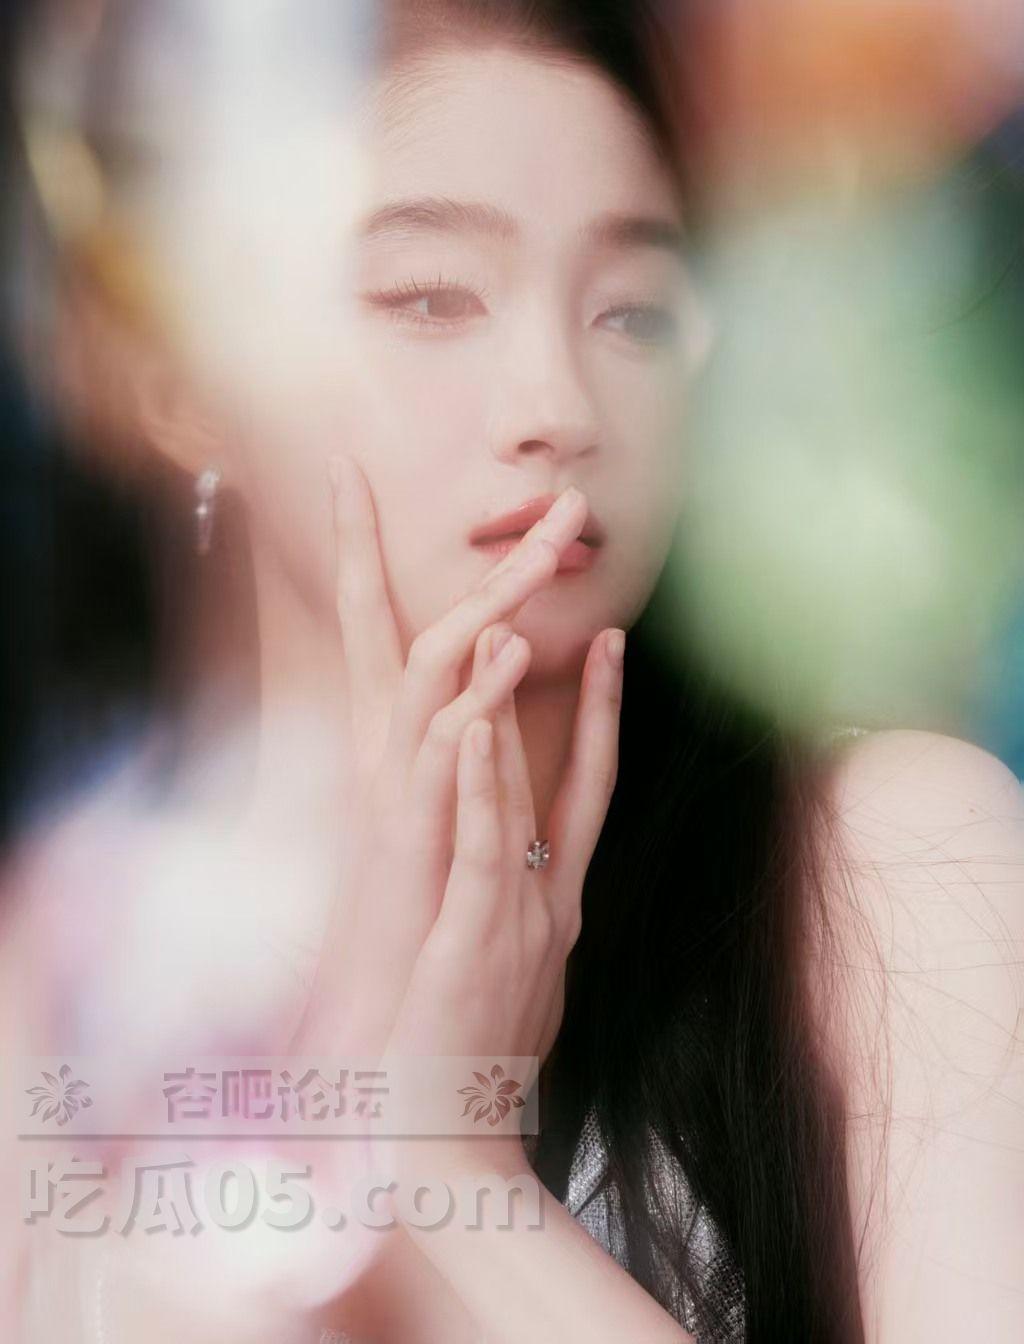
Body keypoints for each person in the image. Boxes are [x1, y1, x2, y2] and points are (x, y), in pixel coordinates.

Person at [1, 2, 1022, 1341]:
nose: (557, 405)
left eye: (635, 312)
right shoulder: (56, 982)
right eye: (431, 297)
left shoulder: (886, 866)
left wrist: (456, 1174)